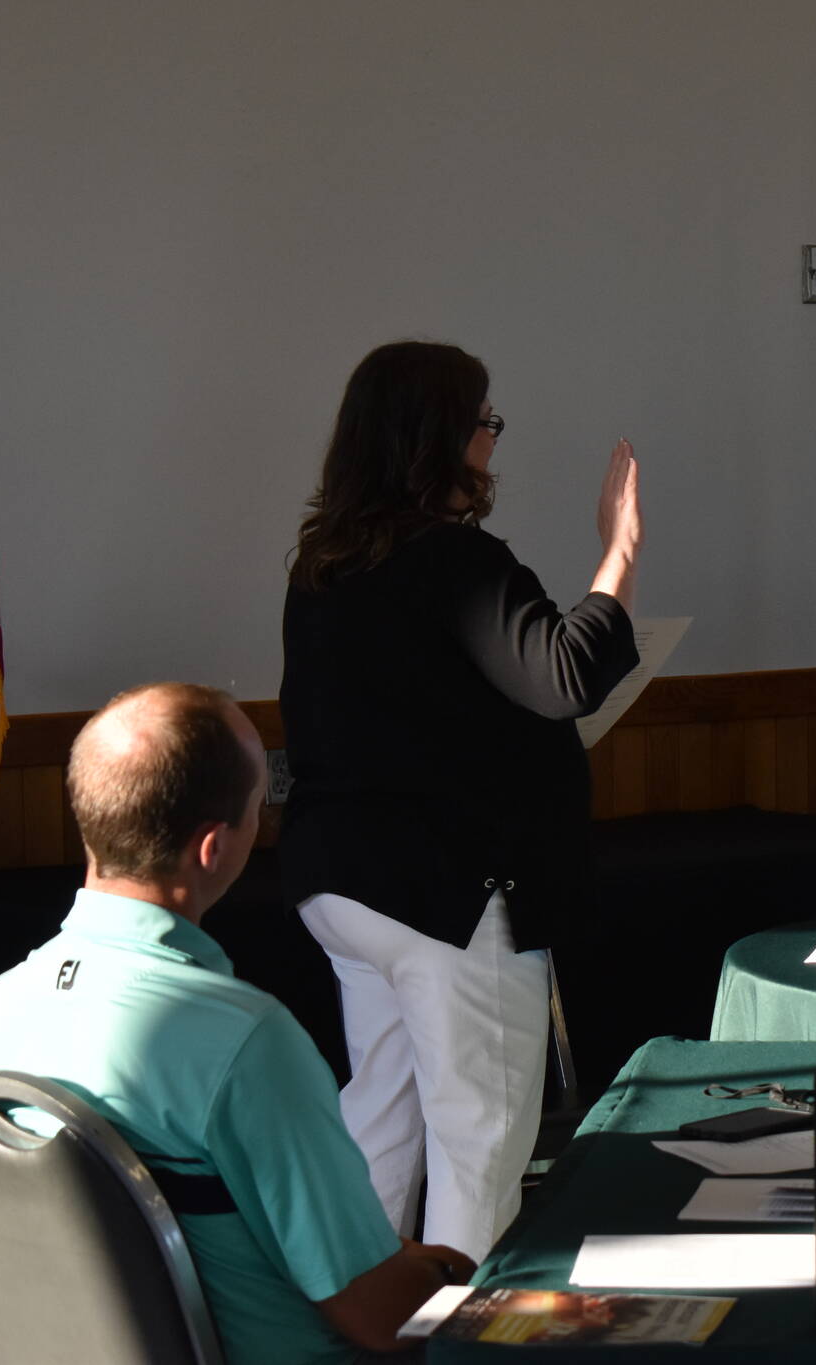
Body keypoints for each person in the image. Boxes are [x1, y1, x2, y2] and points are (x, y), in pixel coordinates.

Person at [0, 683, 474, 1363]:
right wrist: (452, 1269)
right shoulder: (246, 1043)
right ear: (213, 848)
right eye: (259, 807)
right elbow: (377, 1314)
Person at [279, 340, 640, 1263]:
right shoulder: (455, 560)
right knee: (479, 1144)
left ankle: (349, 1329)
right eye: (483, 419)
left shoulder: (323, 567)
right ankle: (462, 1341)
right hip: (448, 895)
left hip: (348, 889)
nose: (491, 438)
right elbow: (563, 676)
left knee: (383, 1119)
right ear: (436, 435)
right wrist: (618, 556)